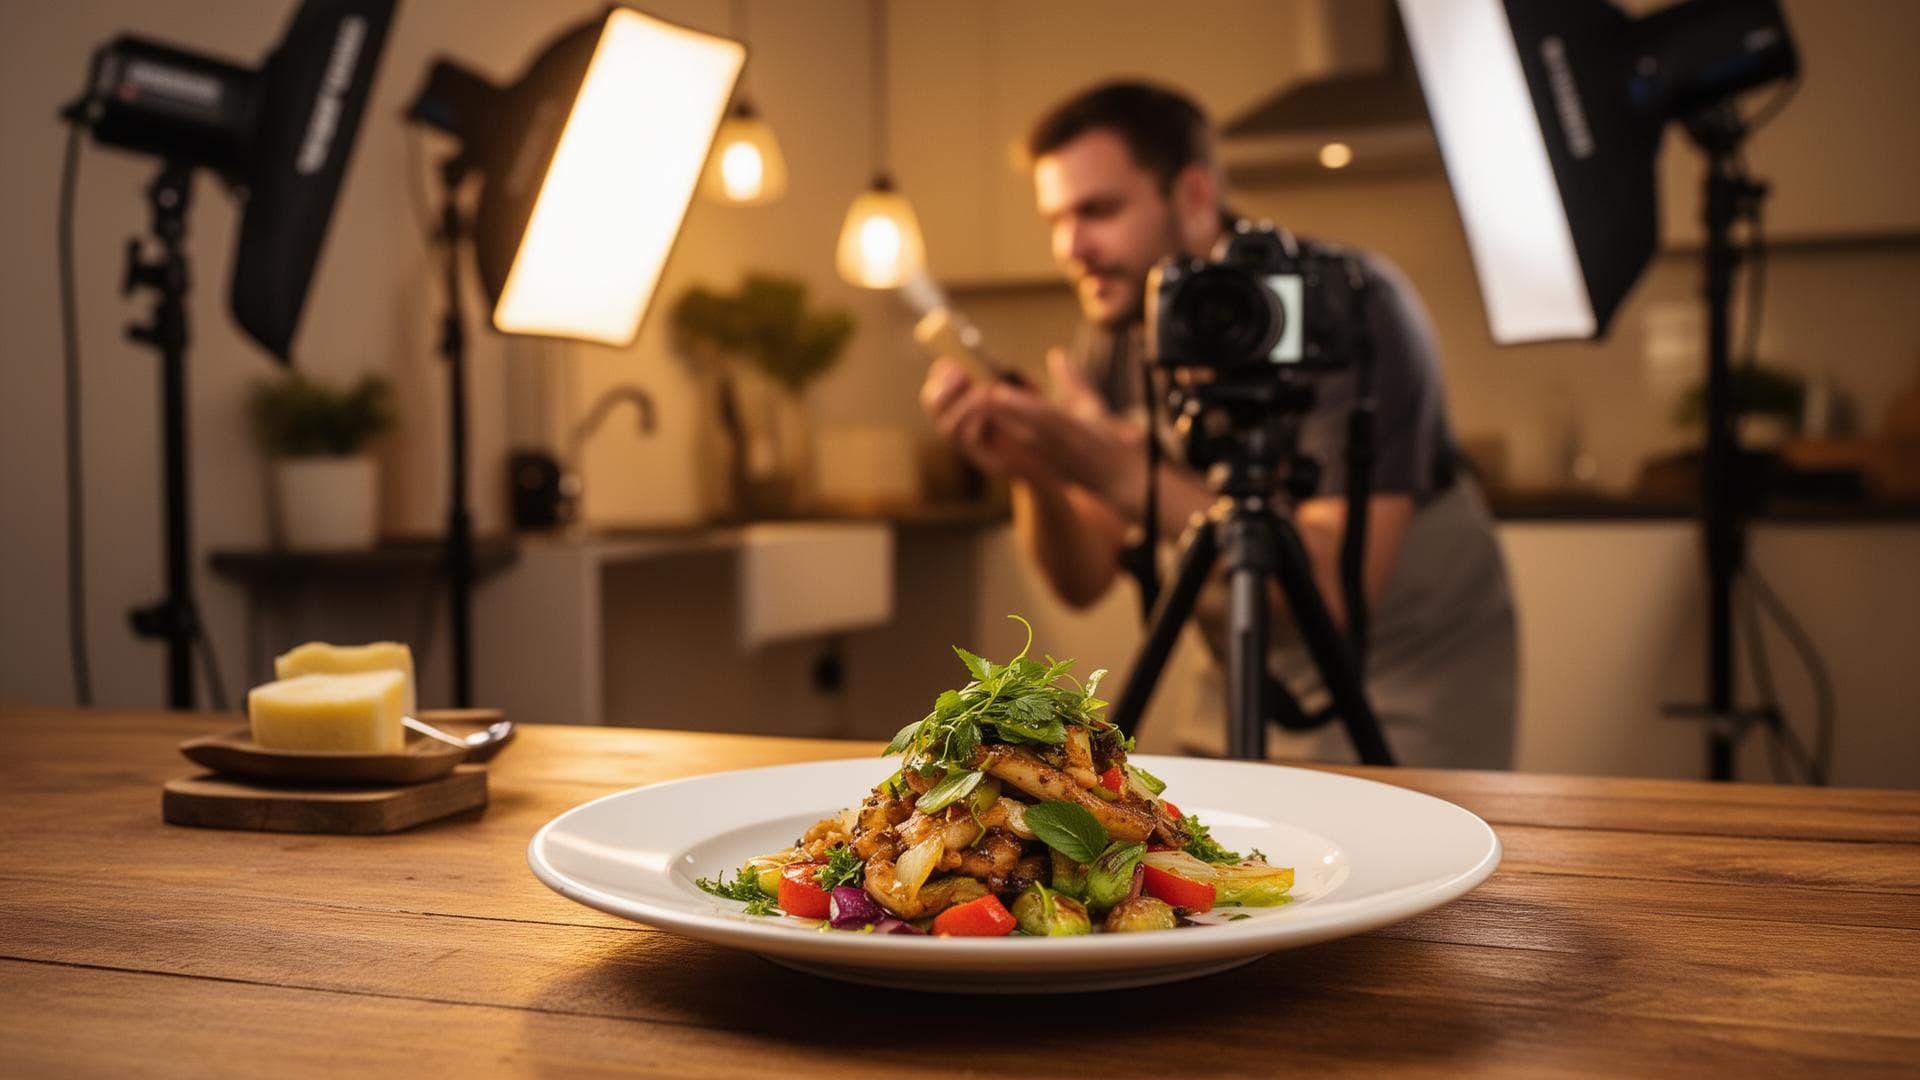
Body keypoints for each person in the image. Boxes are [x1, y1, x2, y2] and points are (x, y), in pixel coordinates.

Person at [919, 81, 1516, 769]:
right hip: (1240, 672)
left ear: (1195, 196)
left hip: (1403, 682)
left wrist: (1116, 468)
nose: (1070, 247)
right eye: (1056, 219)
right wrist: (1035, 471)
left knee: (1406, 860)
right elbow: (1082, 576)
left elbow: (1327, 589)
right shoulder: (1120, 328)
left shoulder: (1337, 306)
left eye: (1098, 210)